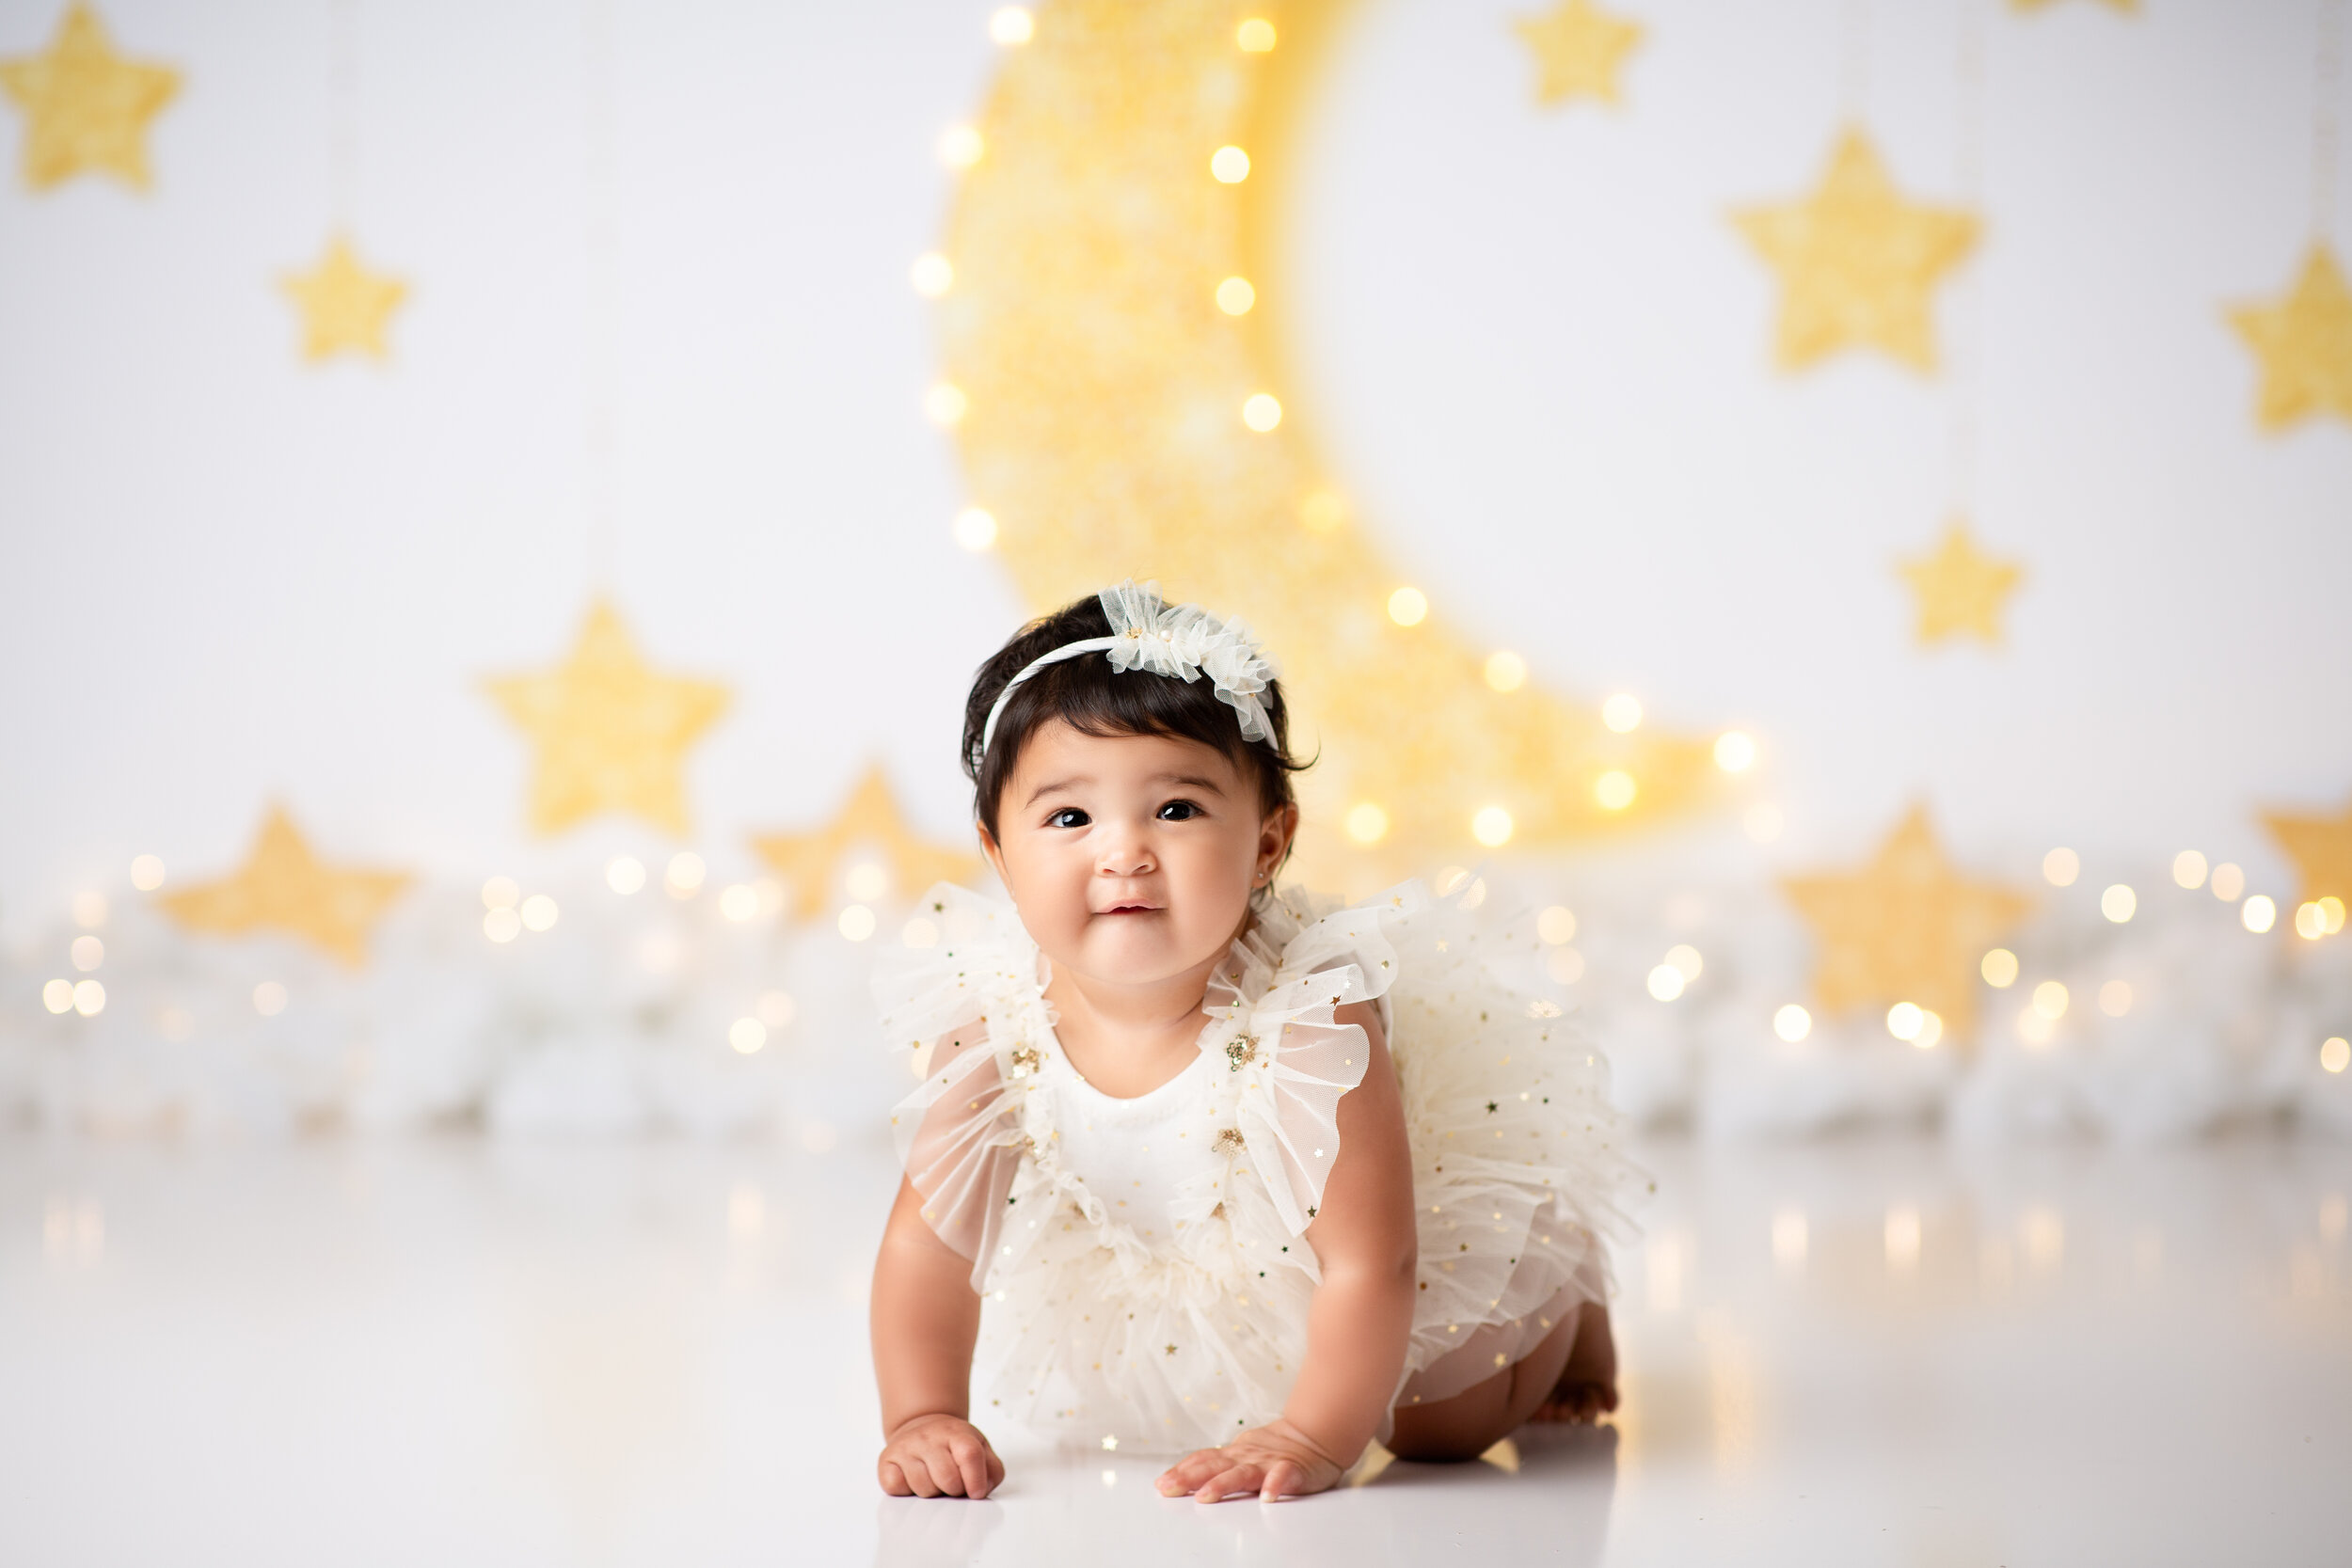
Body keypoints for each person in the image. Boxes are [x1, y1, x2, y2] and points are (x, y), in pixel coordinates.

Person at [868, 581, 1631, 1504]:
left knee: (1444, 1424)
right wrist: (922, 1414)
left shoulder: (1309, 1020)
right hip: (1221, 1269)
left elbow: (1369, 1259)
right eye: (1070, 817)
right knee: (1227, 1383)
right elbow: (928, 1249)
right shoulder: (990, 1027)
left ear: (1268, 842)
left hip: (1382, 1242)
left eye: (1176, 809)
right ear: (997, 851)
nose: (1123, 852)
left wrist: (1313, 1435)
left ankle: (1563, 1287)